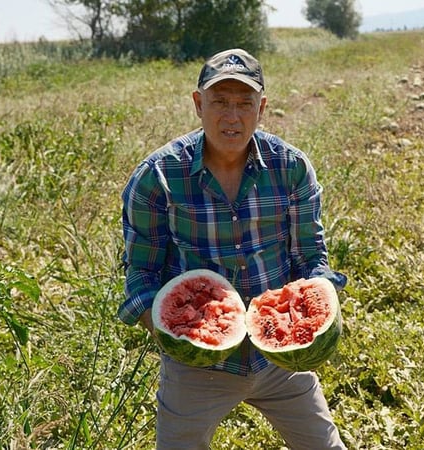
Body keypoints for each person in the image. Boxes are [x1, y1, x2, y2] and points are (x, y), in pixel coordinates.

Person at [117, 48, 347, 449]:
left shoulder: (291, 167)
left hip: (279, 360)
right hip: (196, 370)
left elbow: (311, 257)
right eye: (220, 101)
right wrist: (179, 331)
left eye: (244, 103)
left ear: (262, 108)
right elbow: (141, 273)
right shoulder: (157, 177)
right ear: (198, 104)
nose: (232, 116)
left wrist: (315, 314)